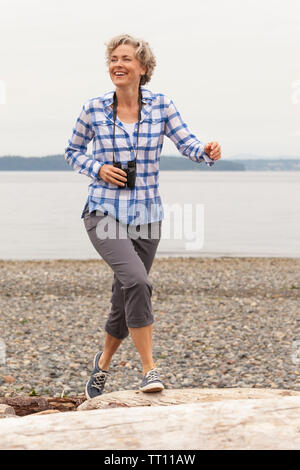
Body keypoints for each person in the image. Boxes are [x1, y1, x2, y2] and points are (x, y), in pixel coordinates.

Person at [64, 34, 221, 399]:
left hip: (148, 215)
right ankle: (150, 370)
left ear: (143, 69)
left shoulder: (162, 106)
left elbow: (189, 144)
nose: (118, 64)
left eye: (126, 59)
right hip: (103, 211)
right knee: (137, 281)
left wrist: (208, 151)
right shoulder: (93, 108)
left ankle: (101, 366)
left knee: (125, 293)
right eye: (113, 59)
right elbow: (72, 150)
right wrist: (97, 168)